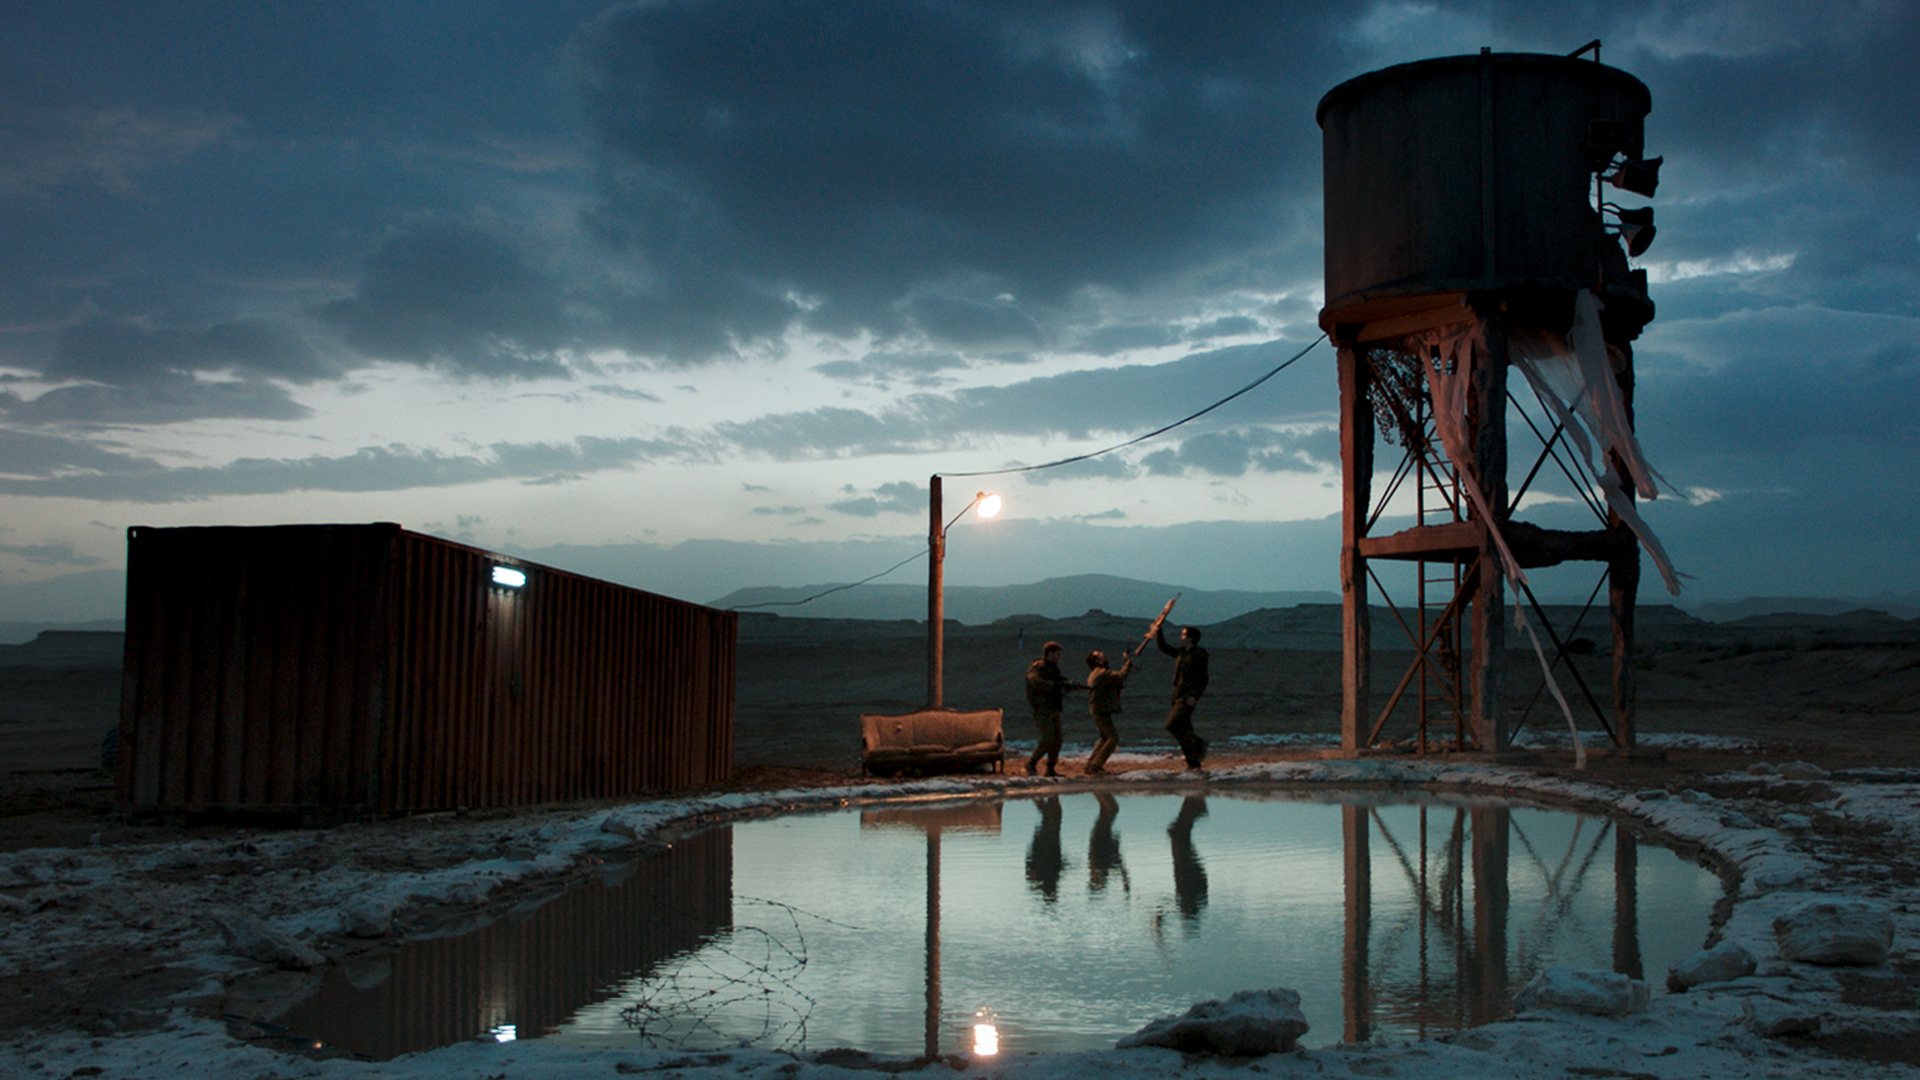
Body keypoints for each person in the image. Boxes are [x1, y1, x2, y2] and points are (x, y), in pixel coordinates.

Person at [1151, 623, 1210, 769]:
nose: (1180, 637)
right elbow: (1164, 647)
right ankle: (1193, 763)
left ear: (1190, 638)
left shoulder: (1199, 654)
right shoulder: (1181, 652)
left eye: (1183, 635)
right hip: (1178, 694)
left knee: (1173, 725)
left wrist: (1195, 696)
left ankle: (1198, 744)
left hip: (1187, 697)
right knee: (1184, 729)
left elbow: (1203, 679)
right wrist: (1159, 631)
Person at [1023, 641, 1079, 776]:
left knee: (1058, 740)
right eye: (1057, 654)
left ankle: (1050, 768)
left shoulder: (1054, 669)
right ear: (1050, 653)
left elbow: (1057, 687)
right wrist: (1054, 685)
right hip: (1042, 709)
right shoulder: (1038, 667)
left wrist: (1068, 687)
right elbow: (1034, 681)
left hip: (1053, 708)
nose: (1059, 657)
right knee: (1048, 739)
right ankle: (1031, 763)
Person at [1083, 646, 1136, 774]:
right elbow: (1121, 676)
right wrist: (1128, 662)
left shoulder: (1096, 674)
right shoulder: (1101, 674)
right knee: (1113, 739)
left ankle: (1091, 765)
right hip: (1101, 711)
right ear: (1096, 661)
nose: (1103, 654)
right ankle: (1095, 765)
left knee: (1104, 738)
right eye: (1100, 655)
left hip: (1098, 710)